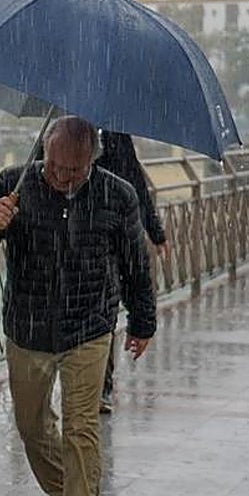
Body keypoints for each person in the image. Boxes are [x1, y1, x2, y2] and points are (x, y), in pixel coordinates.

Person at [0, 115, 156, 496]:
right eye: (55, 166)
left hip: (89, 325)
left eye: (74, 170)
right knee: (31, 426)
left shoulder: (117, 194)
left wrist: (142, 321)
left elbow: (134, 263)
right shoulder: (15, 183)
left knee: (81, 427)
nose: (62, 177)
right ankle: (63, 490)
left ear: (93, 160)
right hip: (28, 326)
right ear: (44, 152)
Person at [95, 130, 169, 414]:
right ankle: (93, 384)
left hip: (108, 239)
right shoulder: (59, 132)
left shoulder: (115, 137)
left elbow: (135, 187)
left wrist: (155, 231)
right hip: (66, 243)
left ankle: (100, 386)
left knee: (102, 315)